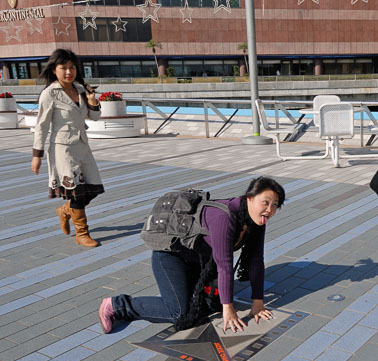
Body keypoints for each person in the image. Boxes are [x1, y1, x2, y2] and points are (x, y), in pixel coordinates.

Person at [98, 177, 285, 334]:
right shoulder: (225, 217)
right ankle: (117, 305)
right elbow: (224, 265)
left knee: (211, 306)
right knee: (178, 312)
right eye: (265, 202)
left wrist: (258, 304)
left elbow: (255, 261)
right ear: (250, 198)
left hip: (200, 261)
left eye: (275, 205)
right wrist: (229, 309)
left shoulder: (256, 220)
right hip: (171, 256)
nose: (269, 209)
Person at [31, 49, 103, 247]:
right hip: (62, 148)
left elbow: (95, 117)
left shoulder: (80, 89)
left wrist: (92, 100)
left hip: (82, 145)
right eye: (63, 68)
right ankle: (82, 233)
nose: (68, 72)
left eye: (72, 68)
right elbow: (41, 126)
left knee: (94, 188)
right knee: (77, 191)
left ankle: (65, 210)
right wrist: (36, 155)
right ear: (54, 70)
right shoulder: (49, 94)